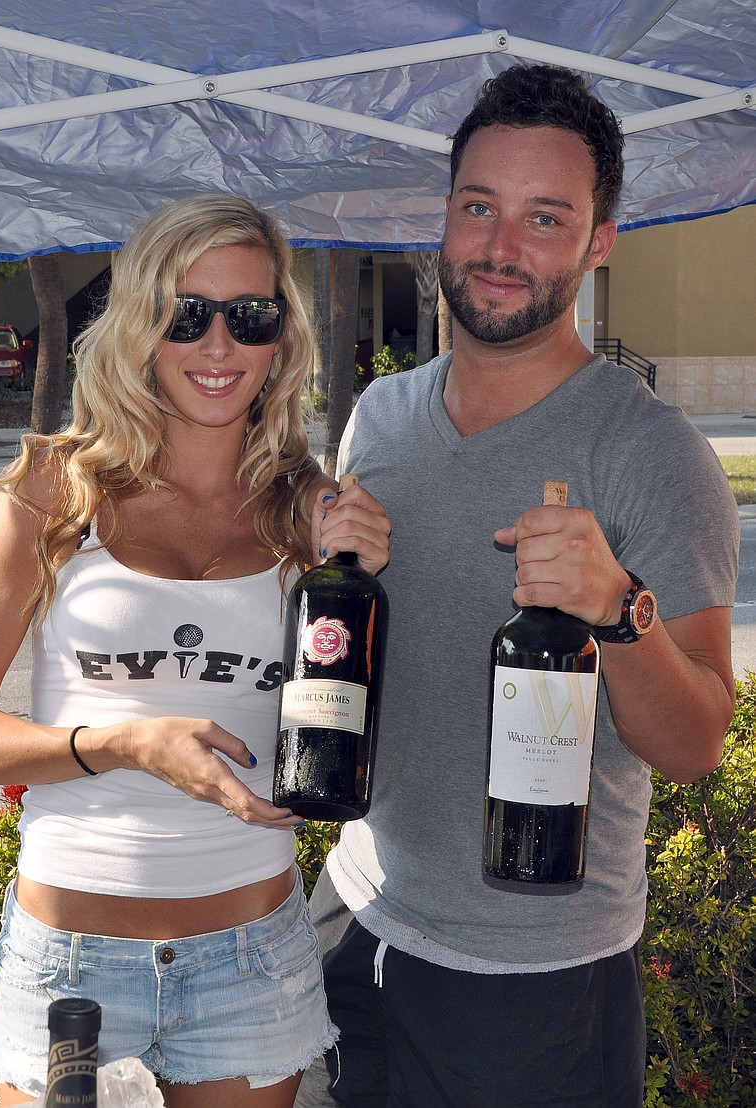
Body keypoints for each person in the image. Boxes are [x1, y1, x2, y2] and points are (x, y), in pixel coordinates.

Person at [295, 64, 739, 1108]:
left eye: (546, 218)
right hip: (352, 916)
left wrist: (618, 608)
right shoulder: (380, 417)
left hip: (534, 981)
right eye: (479, 208)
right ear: (445, 216)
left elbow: (694, 745)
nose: (501, 249)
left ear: (598, 241)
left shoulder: (652, 453)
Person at [0, 193, 391, 1108]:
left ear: (281, 339)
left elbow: (352, 730)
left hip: (252, 961)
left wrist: (365, 588)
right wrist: (122, 744)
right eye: (187, 314)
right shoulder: (58, 488)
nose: (219, 347)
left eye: (249, 317)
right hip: (70, 967)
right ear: (141, 324)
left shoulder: (314, 516)